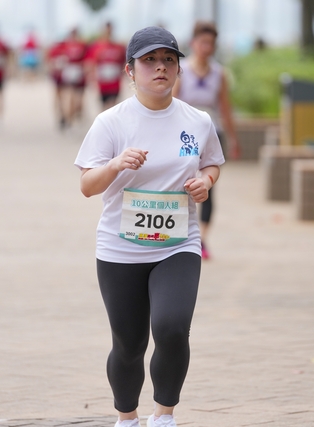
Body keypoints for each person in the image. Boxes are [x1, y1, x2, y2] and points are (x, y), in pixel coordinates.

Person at [75, 26, 224, 427]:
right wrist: (115, 165)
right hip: (120, 248)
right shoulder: (111, 122)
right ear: (130, 70)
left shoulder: (198, 121)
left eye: (168, 60)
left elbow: (212, 162)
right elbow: (87, 186)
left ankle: (164, 416)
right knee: (129, 343)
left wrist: (205, 181)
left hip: (177, 245)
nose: (160, 68)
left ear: (178, 69)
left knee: (172, 328)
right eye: (149, 61)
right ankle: (127, 418)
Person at [173, 21, 241, 260]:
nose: (206, 47)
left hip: (212, 133)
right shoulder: (181, 71)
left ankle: (202, 239)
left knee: (209, 186)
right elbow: (171, 103)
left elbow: (225, 107)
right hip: (184, 136)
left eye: (210, 43)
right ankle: (178, 234)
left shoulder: (219, 73)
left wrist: (233, 139)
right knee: (181, 183)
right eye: (202, 42)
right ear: (193, 43)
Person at [85, 22, 126, 111]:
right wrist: (91, 77)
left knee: (113, 105)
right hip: (102, 83)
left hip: (114, 82)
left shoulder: (118, 47)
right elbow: (90, 63)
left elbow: (123, 63)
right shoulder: (96, 47)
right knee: (104, 107)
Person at [61, 27, 88, 126]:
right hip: (70, 71)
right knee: (70, 96)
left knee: (77, 98)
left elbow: (86, 59)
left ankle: (73, 114)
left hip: (77, 71)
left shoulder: (81, 45)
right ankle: (69, 117)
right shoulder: (66, 45)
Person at [47, 37, 68, 129]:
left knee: (61, 97)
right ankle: (61, 115)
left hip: (63, 77)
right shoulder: (60, 48)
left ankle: (62, 115)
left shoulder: (58, 48)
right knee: (61, 97)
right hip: (60, 77)